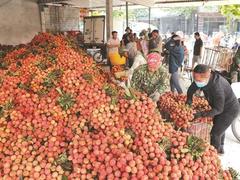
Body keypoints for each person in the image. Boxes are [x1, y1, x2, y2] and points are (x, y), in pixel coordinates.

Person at [186, 64, 240, 154]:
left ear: (207, 76)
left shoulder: (217, 87)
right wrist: (189, 99)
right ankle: (221, 148)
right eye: (195, 79)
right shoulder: (202, 79)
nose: (197, 82)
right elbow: (191, 88)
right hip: (220, 107)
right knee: (219, 127)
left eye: (199, 80)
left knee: (215, 133)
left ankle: (213, 156)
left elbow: (218, 109)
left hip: (230, 110)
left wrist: (201, 114)